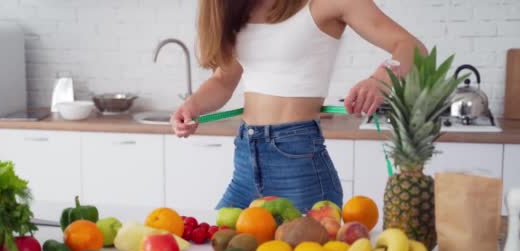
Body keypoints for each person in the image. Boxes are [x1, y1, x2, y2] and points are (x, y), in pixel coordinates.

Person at [170, 0, 427, 213]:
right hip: (246, 161)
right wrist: (193, 105)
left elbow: (412, 48)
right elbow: (223, 81)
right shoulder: (240, 8)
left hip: (297, 162)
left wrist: (380, 79)